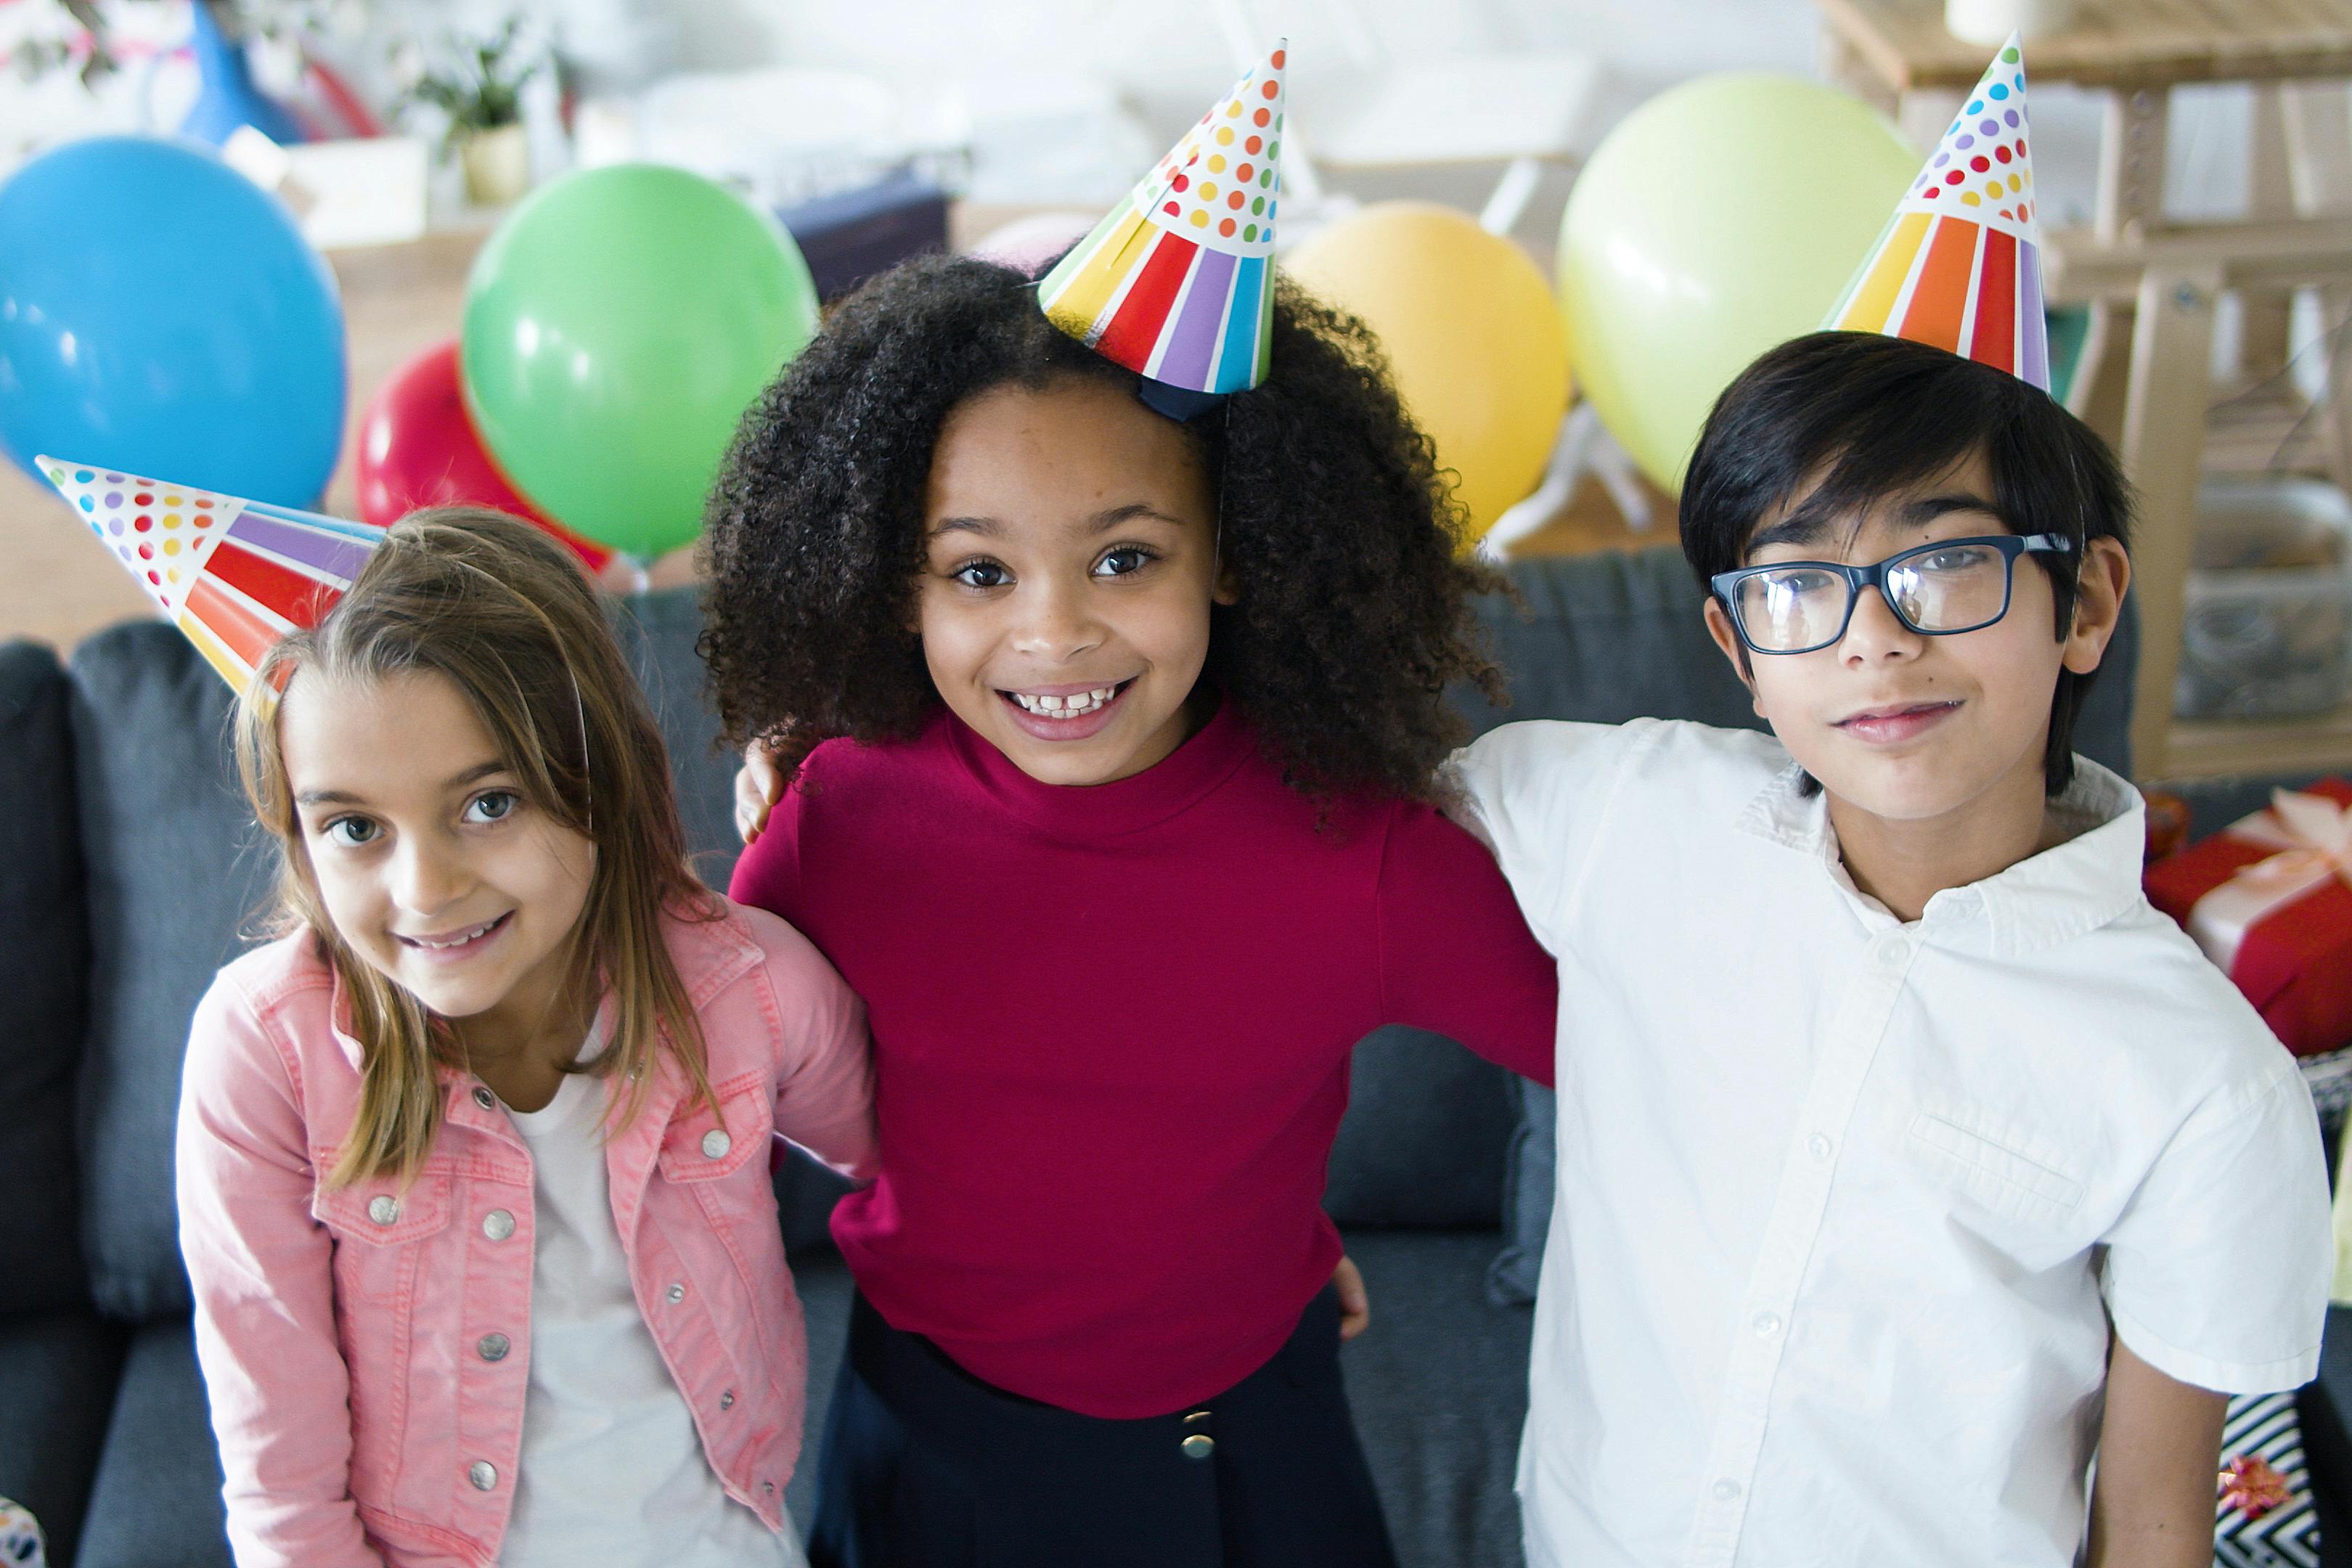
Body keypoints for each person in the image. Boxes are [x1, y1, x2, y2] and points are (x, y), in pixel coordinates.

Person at [706, 45, 1556, 1568]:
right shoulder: (838, 820)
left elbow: (1635, 1040)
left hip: (1251, 1443)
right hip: (934, 1442)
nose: (1053, 637)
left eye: (1124, 558)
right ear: (897, 588)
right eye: (979, 572)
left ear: (1235, 553)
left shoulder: (1357, 853)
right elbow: (675, 1066)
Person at [1456, 321, 2332, 1564]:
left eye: (1947, 563)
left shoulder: (2207, 1083)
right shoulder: (1620, 811)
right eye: (1799, 582)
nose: (1874, 639)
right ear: (1740, 651)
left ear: (2082, 606)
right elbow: (1277, 817)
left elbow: (2151, 1525)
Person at [176, 508, 875, 1568]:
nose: (426, 890)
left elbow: (932, 1158)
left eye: (489, 803)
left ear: (599, 779)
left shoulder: (744, 985)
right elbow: (284, 1493)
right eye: (355, 828)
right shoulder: (264, 1054)